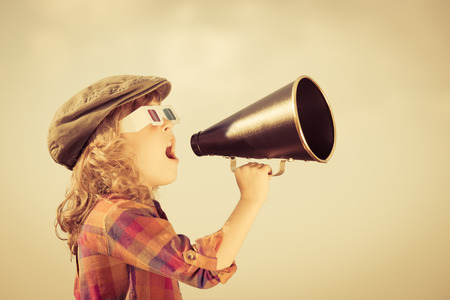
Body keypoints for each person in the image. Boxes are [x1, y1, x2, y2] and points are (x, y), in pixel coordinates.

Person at [47, 75, 272, 299]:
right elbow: (204, 269)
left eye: (167, 114)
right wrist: (251, 198)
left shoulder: (125, 212)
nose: (168, 124)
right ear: (106, 146)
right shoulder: (115, 216)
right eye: (152, 116)